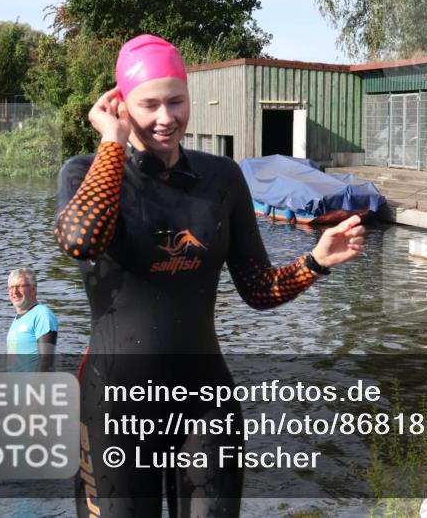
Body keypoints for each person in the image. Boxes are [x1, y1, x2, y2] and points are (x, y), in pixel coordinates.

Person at [55, 34, 365, 517]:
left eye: (176, 101)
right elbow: (79, 240)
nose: (165, 118)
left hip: (204, 405)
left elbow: (258, 289)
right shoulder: (85, 173)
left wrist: (316, 261)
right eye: (149, 104)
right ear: (120, 105)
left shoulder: (221, 179)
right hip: (114, 409)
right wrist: (112, 143)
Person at [5, 268, 58, 372]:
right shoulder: (18, 319)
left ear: (34, 290)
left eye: (20, 286)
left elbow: (46, 362)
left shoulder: (42, 315)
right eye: (11, 287)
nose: (15, 291)